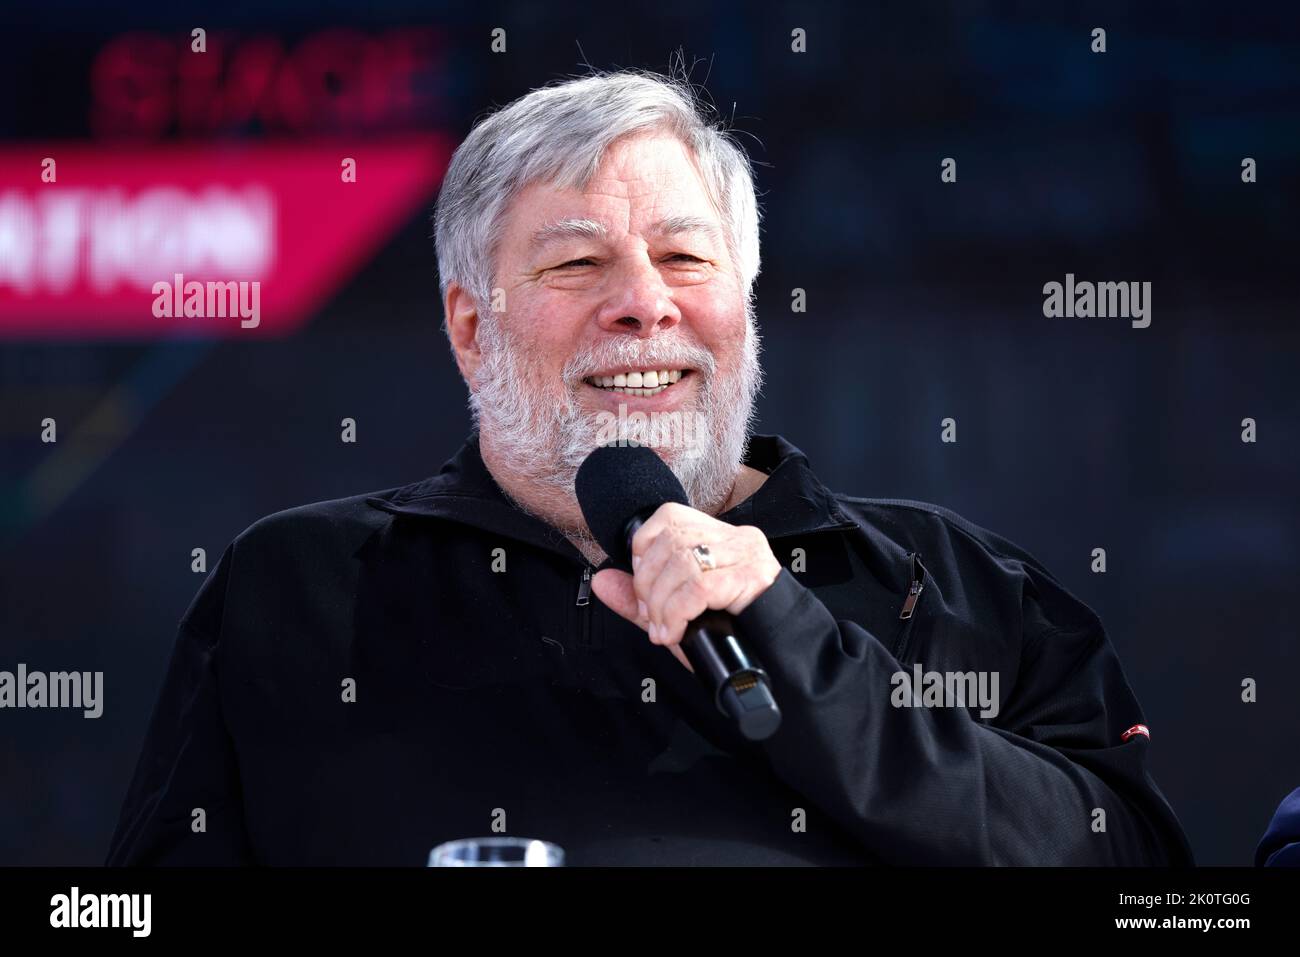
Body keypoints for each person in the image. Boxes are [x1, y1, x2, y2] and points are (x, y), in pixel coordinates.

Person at [107, 69, 1193, 866]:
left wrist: (789, 634)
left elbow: (1144, 875)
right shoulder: (294, 590)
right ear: (471, 327)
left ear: (745, 304)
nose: (643, 300)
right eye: (577, 262)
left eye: (684, 256)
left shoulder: (954, 583)